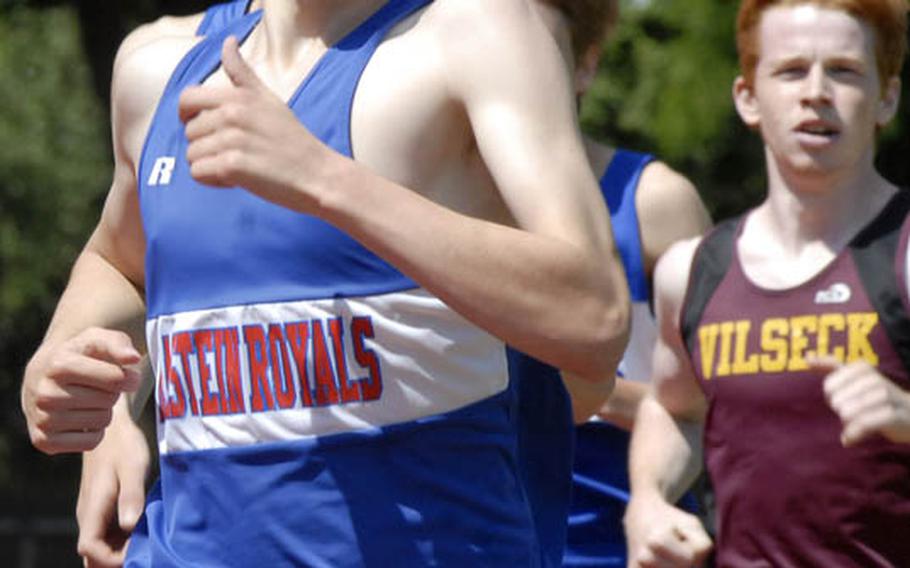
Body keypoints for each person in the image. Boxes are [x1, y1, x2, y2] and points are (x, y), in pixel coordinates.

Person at [20, 1, 632, 567]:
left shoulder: (480, 33)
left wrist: (325, 179)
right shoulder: (154, 65)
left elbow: (593, 317)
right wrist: (75, 376)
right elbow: (121, 262)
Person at [623, 0, 910, 566]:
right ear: (747, 98)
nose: (817, 92)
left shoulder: (903, 252)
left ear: (888, 98)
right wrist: (647, 500)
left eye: (845, 70)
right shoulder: (693, 270)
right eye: (791, 70)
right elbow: (676, 407)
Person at [517, 2, 712, 566]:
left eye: (538, 54)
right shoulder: (432, 202)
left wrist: (581, 387)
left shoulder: (654, 202)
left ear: (586, 66)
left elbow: (730, 406)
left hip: (614, 546)